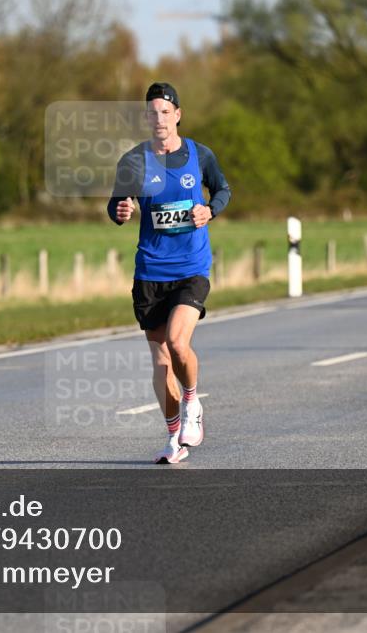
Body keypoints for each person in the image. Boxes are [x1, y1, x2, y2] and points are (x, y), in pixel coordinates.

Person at [107, 82, 231, 463]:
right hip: (150, 271)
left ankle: (193, 403)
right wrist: (121, 211)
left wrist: (209, 209)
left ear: (177, 115)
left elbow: (223, 190)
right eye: (152, 112)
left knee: (178, 343)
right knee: (161, 362)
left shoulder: (200, 154)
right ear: (146, 118)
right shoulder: (133, 161)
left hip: (192, 267)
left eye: (165, 111)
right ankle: (174, 438)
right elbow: (116, 205)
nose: (159, 118)